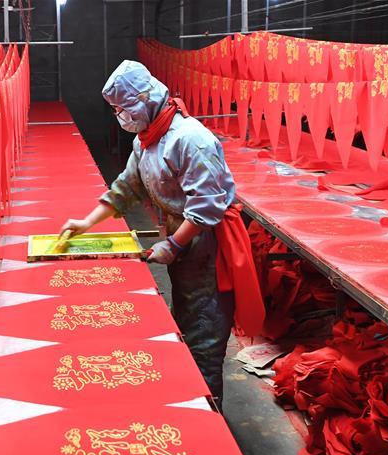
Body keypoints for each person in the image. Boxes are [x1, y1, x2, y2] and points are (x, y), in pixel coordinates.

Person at [61, 60, 263, 407]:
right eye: (115, 110)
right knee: (187, 317)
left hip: (209, 244)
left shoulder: (190, 139)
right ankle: (193, 400)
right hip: (186, 239)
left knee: (205, 333)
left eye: (123, 108)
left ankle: (209, 417)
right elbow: (127, 187)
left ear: (145, 98)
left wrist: (173, 244)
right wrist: (86, 223)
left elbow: (207, 206)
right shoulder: (146, 142)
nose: (121, 116)